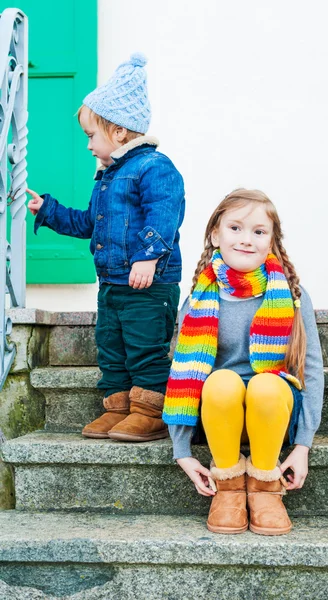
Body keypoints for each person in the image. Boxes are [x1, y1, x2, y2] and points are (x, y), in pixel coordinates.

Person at [27, 53, 185, 442]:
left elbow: (165, 212)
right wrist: (49, 210)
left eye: (90, 136)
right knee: (111, 348)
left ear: (117, 132)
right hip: (112, 284)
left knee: (145, 347)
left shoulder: (153, 167)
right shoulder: (107, 177)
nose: (87, 146)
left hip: (150, 284)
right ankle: (118, 407)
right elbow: (89, 223)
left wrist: (148, 255)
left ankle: (150, 411)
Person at [162, 188, 324, 536]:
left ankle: (266, 488)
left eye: (258, 231)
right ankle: (230, 485)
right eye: (235, 228)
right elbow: (183, 374)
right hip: (221, 416)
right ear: (215, 234)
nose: (246, 239)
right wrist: (182, 450)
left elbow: (311, 369)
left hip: (274, 411)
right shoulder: (198, 299)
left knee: (267, 383)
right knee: (220, 381)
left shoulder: (293, 296)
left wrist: (303, 445)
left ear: (271, 241)